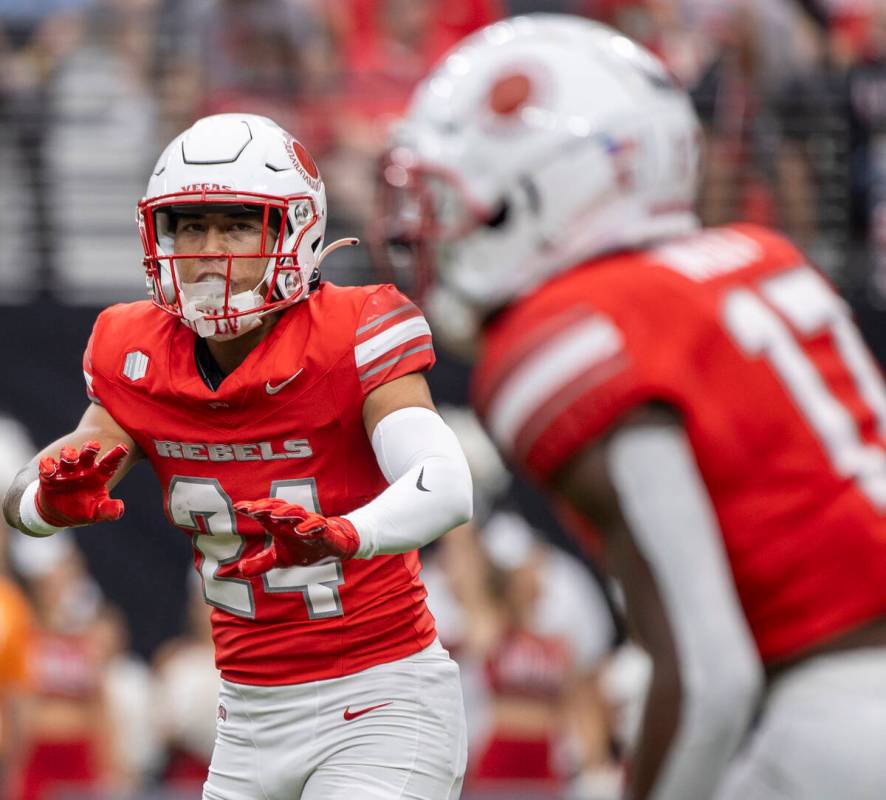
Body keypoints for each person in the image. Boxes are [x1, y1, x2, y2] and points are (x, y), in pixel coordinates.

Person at [376, 14, 886, 800]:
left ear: (559, 182)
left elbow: (711, 675)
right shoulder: (758, 256)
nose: (433, 230)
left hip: (839, 718)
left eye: (455, 197)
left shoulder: (576, 336)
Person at [2, 112, 472, 800]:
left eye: (236, 224)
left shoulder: (352, 328)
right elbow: (26, 491)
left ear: (294, 229)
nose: (209, 249)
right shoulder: (133, 352)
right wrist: (44, 502)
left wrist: (350, 533)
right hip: (245, 719)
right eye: (190, 226)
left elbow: (446, 484)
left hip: (380, 700)